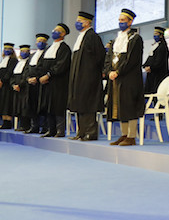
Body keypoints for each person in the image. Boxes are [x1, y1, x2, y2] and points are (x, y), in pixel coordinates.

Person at [106, 9, 145, 146]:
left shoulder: (135, 39)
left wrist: (118, 71)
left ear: (130, 21)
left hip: (129, 78)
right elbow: (109, 57)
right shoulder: (116, 39)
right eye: (119, 20)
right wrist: (109, 71)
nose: (120, 22)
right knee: (119, 105)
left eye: (123, 20)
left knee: (130, 106)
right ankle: (123, 134)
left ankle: (132, 136)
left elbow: (131, 60)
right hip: (116, 78)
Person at [67, 11, 105, 141]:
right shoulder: (81, 37)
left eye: (80, 21)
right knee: (79, 103)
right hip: (79, 78)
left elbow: (100, 57)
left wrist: (92, 73)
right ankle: (81, 132)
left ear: (87, 22)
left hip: (89, 77)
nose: (77, 23)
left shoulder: (92, 36)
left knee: (88, 104)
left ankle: (91, 132)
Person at [38, 23, 72, 137]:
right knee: (48, 105)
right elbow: (41, 64)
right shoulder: (48, 49)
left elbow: (61, 65)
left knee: (58, 105)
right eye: (54, 30)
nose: (54, 32)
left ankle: (60, 130)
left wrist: (48, 75)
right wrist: (42, 76)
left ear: (63, 34)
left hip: (59, 82)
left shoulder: (65, 48)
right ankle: (50, 129)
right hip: (47, 83)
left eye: (57, 30)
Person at [24, 34, 49, 134]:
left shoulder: (46, 54)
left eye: (42, 41)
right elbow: (26, 69)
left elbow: (44, 68)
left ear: (46, 43)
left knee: (42, 105)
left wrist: (37, 78)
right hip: (31, 84)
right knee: (32, 105)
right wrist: (28, 78)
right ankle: (34, 126)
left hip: (41, 84)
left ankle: (44, 127)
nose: (40, 42)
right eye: (38, 41)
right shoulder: (32, 56)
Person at [143, 26, 169, 96]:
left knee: (158, 94)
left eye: (156, 34)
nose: (154, 36)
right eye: (154, 34)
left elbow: (159, 61)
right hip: (152, 74)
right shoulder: (154, 46)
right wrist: (145, 66)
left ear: (161, 35)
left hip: (159, 74)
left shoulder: (162, 47)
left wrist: (151, 67)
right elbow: (150, 58)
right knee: (151, 94)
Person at [11, 45, 31, 131]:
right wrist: (13, 85)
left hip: (24, 88)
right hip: (17, 88)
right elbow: (12, 76)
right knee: (18, 107)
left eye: (26, 51)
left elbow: (26, 75)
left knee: (24, 107)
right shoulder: (19, 62)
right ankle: (21, 125)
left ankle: (26, 126)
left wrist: (19, 85)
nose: (24, 53)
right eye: (22, 51)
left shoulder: (28, 63)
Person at [0, 43, 18, 129]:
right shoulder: (3, 60)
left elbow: (10, 72)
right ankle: (4, 121)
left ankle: (8, 122)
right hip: (1, 85)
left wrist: (2, 80)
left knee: (7, 103)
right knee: (2, 103)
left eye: (9, 49)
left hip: (7, 85)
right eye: (5, 49)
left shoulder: (13, 60)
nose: (7, 50)